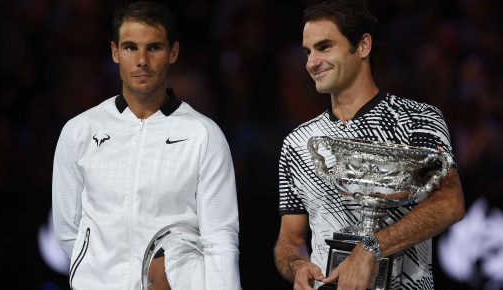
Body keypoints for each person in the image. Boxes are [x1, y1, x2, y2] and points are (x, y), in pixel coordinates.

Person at [273, 1, 465, 289]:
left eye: (324, 47)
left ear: (363, 46)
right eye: (308, 52)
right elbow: (291, 238)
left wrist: (372, 248)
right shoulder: (298, 143)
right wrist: (297, 264)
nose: (311, 62)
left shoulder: (418, 120)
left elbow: (450, 203)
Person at [52, 1, 241, 289]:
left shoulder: (204, 135)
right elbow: (68, 231)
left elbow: (220, 239)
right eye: (130, 47)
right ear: (115, 52)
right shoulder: (79, 132)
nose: (141, 59)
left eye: (153, 47)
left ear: (173, 52)